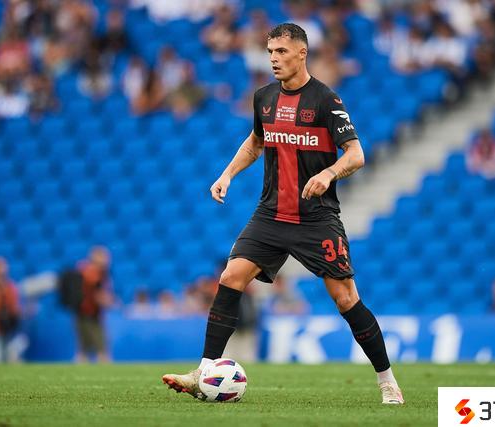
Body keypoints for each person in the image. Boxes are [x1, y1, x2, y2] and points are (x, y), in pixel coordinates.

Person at [162, 23, 404, 405]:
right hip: (271, 214)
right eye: (270, 52)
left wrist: (328, 173)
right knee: (230, 276)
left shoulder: (325, 100)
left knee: (345, 299)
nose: (273, 59)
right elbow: (256, 142)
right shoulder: (264, 97)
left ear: (302, 53)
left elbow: (356, 154)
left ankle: (387, 381)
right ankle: (204, 371)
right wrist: (227, 174)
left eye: (281, 52)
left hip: (316, 218)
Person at [74, 246, 113, 363]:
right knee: (93, 340)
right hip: (85, 310)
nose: (107, 260)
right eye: (104, 257)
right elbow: (96, 291)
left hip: (91, 310)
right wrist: (107, 301)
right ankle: (97, 358)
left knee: (88, 341)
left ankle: (88, 357)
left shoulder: (98, 271)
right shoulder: (91, 271)